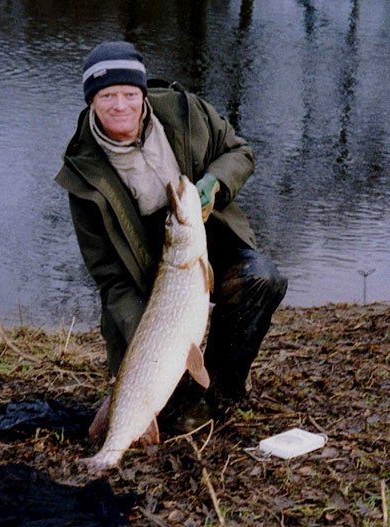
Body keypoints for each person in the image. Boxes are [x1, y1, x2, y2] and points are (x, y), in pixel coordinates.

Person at [55, 41, 287, 412]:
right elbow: (110, 278)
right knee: (164, 395)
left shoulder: (184, 110)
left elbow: (239, 151)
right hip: (142, 280)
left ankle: (219, 393)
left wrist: (215, 183)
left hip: (200, 241)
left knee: (262, 278)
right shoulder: (81, 174)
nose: (120, 105)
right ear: (91, 101)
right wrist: (147, 340)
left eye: (129, 93)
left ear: (142, 93)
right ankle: (174, 397)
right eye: (107, 95)